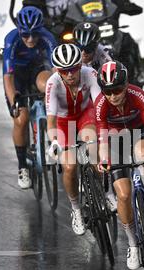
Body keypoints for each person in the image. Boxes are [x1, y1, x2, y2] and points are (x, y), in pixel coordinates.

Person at [95, 60, 144, 270]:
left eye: (117, 90)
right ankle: (132, 244)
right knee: (124, 195)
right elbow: (102, 140)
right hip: (114, 141)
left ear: (126, 85)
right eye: (108, 92)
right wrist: (104, 161)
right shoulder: (101, 104)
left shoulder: (138, 95)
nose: (113, 96)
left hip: (137, 133)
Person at [45, 43, 103, 236]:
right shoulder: (52, 83)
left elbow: (100, 107)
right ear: (58, 71)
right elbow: (51, 121)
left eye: (73, 69)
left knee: (93, 145)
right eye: (64, 71)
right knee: (69, 166)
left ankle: (106, 191)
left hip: (85, 114)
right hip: (63, 121)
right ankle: (76, 209)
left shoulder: (90, 74)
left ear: (80, 65)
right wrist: (54, 142)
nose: (70, 74)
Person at [2, 6, 57, 189]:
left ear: (41, 29)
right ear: (19, 31)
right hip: (16, 75)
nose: (31, 39)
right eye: (26, 35)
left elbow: (57, 72)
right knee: (21, 118)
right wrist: (13, 103)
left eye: (35, 34)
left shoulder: (48, 37)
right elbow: (8, 78)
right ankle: (22, 166)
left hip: (36, 70)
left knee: (48, 84)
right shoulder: (11, 40)